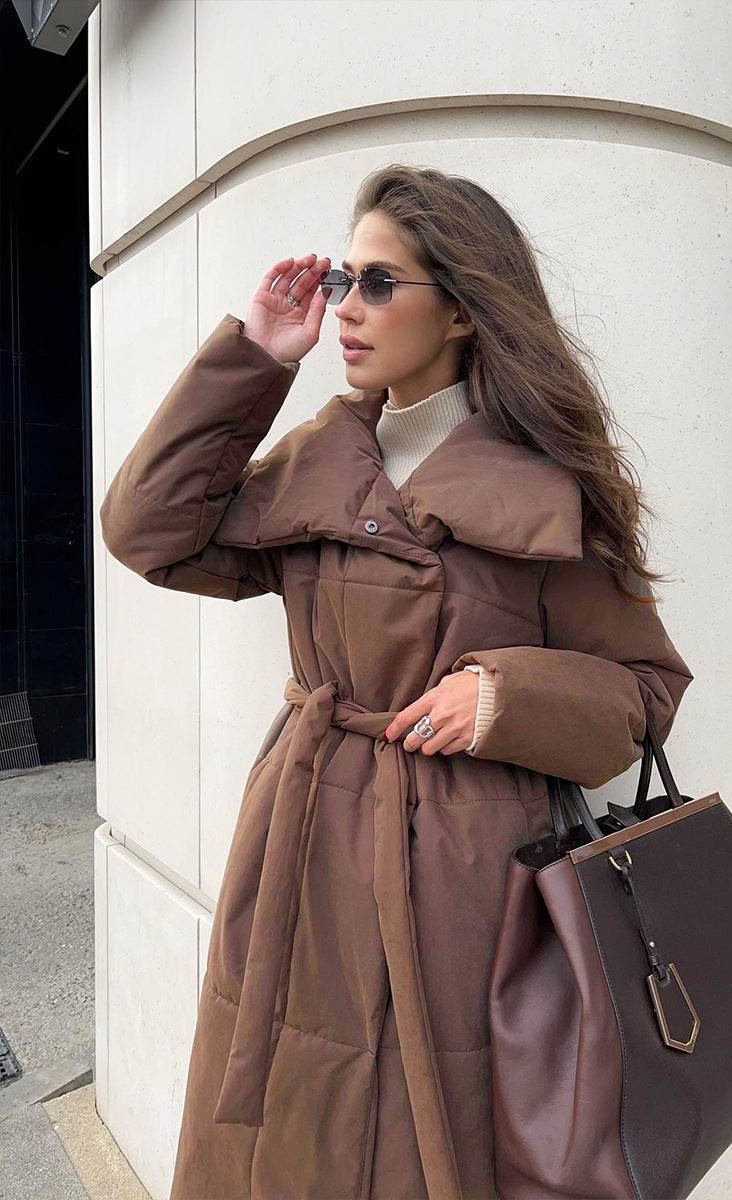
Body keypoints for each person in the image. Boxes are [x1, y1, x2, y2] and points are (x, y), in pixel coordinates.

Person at [99, 163, 693, 1200]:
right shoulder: (318, 464)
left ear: (460, 309)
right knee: (287, 1136)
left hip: (466, 874)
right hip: (303, 840)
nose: (346, 308)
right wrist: (254, 360)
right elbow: (148, 532)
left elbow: (647, 690)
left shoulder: (544, 487)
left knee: (433, 1141)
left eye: (379, 284)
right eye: (343, 281)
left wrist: (503, 696)